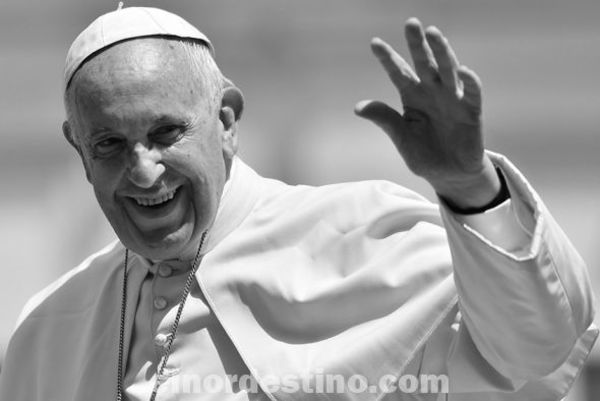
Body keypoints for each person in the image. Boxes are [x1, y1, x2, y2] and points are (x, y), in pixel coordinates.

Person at [0, 5, 597, 401]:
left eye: (165, 133)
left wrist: (469, 187)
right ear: (79, 150)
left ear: (226, 120)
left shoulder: (363, 237)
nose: (144, 170)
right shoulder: (48, 329)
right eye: (109, 144)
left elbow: (537, 351)